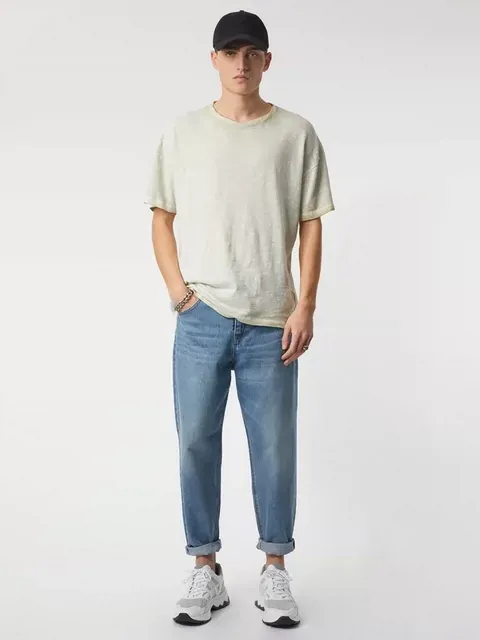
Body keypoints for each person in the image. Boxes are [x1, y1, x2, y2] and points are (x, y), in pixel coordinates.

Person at [144, 9, 335, 628]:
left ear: (267, 60)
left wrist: (305, 303)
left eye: (252, 53)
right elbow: (161, 216)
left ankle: (274, 568)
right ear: (214, 60)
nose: (241, 63)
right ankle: (205, 567)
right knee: (194, 443)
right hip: (201, 319)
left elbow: (311, 222)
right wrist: (179, 293)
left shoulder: (295, 134)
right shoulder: (184, 133)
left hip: (272, 321)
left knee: (274, 448)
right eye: (230, 53)